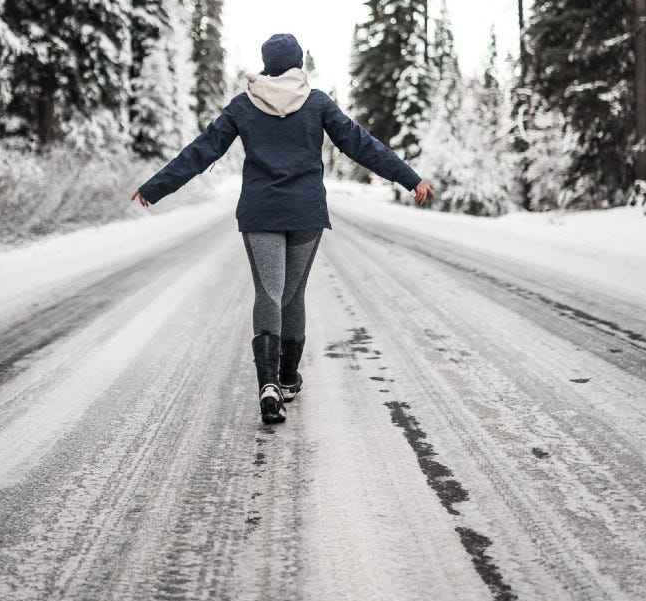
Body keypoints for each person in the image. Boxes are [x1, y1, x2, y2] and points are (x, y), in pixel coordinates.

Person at [132, 33, 435, 425]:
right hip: (306, 213)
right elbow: (363, 145)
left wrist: (155, 187)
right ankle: (286, 379)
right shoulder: (317, 102)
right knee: (291, 297)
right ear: (298, 65)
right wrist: (410, 178)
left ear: (265, 65)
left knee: (269, 293)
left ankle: (271, 384)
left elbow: (202, 150)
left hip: (261, 213)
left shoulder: (244, 105)